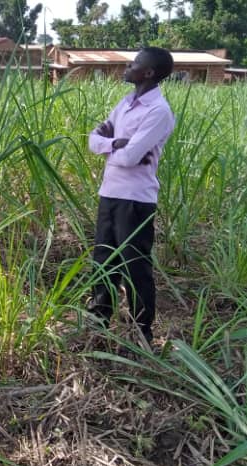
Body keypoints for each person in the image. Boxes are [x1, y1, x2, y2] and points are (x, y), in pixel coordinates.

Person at [86, 47, 176, 344]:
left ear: (149, 72)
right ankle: (99, 321)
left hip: (136, 199)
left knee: (134, 265)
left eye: (135, 63)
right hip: (110, 193)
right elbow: (93, 139)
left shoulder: (158, 111)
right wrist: (115, 144)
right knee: (103, 260)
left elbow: (131, 157)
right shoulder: (125, 104)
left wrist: (112, 147)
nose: (128, 66)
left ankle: (141, 331)